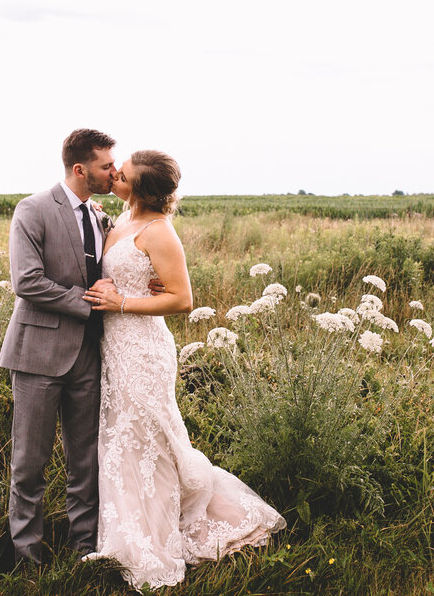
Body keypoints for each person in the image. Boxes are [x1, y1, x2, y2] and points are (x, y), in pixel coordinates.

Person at [82, 150, 286, 590]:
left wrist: (122, 302)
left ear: (140, 188)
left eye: (124, 173)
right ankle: (126, 529)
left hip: (144, 350)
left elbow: (181, 299)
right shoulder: (117, 220)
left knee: (148, 436)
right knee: (123, 437)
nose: (116, 174)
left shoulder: (160, 232)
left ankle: (150, 539)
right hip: (115, 347)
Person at [0, 128, 118, 565]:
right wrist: (88, 304)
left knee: (84, 460)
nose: (114, 172)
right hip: (38, 354)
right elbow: (26, 281)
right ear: (81, 169)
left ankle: (84, 547)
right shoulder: (31, 210)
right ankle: (26, 553)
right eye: (107, 166)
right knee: (29, 461)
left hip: (89, 354)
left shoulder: (101, 216)